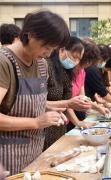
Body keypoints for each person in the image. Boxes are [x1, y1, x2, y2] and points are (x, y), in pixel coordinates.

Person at [0, 10, 70, 175]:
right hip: (6, 158)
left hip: (35, 153)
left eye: (53, 49)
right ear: (30, 35)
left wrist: (49, 111)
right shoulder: (4, 62)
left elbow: (29, 104)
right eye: (46, 47)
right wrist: (37, 122)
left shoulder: (42, 65)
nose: (48, 53)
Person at [44, 37, 106, 150]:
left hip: (59, 126)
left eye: (79, 59)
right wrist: (76, 119)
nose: (76, 62)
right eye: (74, 57)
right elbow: (39, 102)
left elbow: (73, 100)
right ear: (62, 50)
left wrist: (90, 105)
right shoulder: (46, 66)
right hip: (45, 127)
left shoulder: (68, 73)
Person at [84, 42, 111, 106]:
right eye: (105, 60)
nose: (104, 62)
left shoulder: (96, 69)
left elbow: (106, 87)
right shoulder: (92, 69)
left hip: (86, 102)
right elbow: (102, 91)